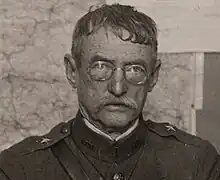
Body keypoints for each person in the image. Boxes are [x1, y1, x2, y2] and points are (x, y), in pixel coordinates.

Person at [0, 3, 220, 180]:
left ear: (153, 77)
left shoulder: (196, 163)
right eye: (100, 67)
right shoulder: (19, 169)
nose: (118, 88)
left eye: (135, 69)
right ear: (72, 71)